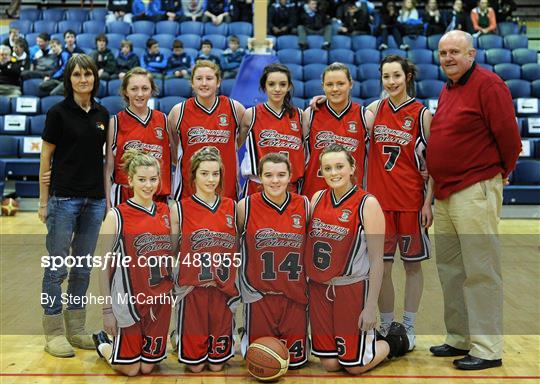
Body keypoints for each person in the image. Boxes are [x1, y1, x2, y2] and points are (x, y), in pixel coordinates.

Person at [427, 30, 521, 370]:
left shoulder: (489, 84)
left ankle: (487, 348)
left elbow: (509, 137)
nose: (448, 58)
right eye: (443, 53)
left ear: (471, 54)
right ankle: (460, 337)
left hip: (475, 188)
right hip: (447, 193)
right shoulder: (449, 88)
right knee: (451, 269)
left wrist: (500, 173)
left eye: (455, 51)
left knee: (481, 270)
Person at [306, 143, 409, 374]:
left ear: (352, 167)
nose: (334, 173)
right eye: (328, 168)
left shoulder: (367, 204)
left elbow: (376, 261)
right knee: (331, 365)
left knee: (355, 367)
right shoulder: (316, 198)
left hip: (352, 289)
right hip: (320, 289)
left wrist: (371, 307)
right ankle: (368, 342)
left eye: (340, 166)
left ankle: (395, 341)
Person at [38, 54, 109, 357]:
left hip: (93, 201)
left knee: (81, 268)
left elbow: (105, 160)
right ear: (69, 79)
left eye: (88, 74)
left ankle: (76, 329)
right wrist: (43, 202)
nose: (83, 79)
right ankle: (53, 332)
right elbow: (46, 158)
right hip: (63, 199)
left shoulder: (103, 113)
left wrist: (105, 199)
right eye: (77, 75)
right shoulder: (57, 113)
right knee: (56, 268)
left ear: (95, 77)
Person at [365, 55, 433, 352]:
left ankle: (408, 325)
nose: (391, 82)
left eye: (396, 76)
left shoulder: (421, 115)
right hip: (380, 206)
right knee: (383, 267)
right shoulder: (373, 111)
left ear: (407, 77)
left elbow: (432, 165)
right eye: (386, 76)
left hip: (410, 203)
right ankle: (387, 324)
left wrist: (428, 203)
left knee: (413, 267)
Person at [93, 149, 177, 376]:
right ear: (130, 180)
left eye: (153, 179)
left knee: (148, 368)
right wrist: (107, 310)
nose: (148, 185)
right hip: (129, 302)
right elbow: (103, 268)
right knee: (131, 369)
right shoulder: (116, 216)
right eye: (141, 179)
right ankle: (105, 345)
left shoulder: (166, 212)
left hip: (160, 300)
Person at [237, 152, 309, 368]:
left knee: (295, 364)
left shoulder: (305, 205)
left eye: (281, 174)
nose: (275, 180)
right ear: (260, 177)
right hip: (260, 297)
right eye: (268, 175)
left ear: (290, 176)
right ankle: (243, 335)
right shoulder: (245, 207)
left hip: (294, 297)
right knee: (260, 362)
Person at [172, 146, 239, 372]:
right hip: (193, 292)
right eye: (204, 173)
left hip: (223, 291)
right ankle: (177, 336)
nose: (211, 179)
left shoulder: (233, 207)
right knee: (196, 367)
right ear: (193, 175)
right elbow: (171, 252)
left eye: (216, 173)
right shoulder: (180, 209)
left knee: (217, 366)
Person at [169, 60, 245, 201]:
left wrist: (231, 148)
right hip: (189, 189)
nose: (204, 83)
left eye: (209, 78)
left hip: (226, 188)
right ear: (192, 83)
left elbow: (241, 138)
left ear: (218, 82)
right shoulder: (178, 111)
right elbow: (172, 147)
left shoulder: (235, 108)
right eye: (199, 79)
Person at [301, 62, 371, 200]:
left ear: (350, 84)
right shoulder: (310, 114)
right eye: (329, 84)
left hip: (352, 194)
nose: (335, 89)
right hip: (314, 192)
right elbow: (303, 156)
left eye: (340, 83)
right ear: (323, 87)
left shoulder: (365, 116)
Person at [105, 67, 172, 207]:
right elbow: (109, 170)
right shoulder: (115, 123)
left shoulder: (163, 120)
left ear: (152, 91)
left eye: (145, 88)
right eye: (134, 89)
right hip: (125, 197)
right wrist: (108, 206)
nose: (140, 94)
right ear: (125, 91)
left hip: (157, 198)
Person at [239, 63, 304, 196]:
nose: (277, 89)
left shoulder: (301, 116)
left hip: (290, 187)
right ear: (264, 87)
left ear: (289, 87)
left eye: (282, 84)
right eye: (271, 84)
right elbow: (234, 145)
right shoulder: (251, 114)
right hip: (258, 186)